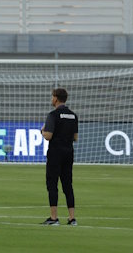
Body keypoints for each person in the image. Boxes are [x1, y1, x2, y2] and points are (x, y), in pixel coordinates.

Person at [41, 88, 78, 226]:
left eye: (52, 97)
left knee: (52, 184)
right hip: (69, 152)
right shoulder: (73, 115)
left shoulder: (53, 115)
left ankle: (54, 218)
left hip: (56, 152)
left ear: (56, 98)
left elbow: (48, 136)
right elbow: (75, 137)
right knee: (68, 185)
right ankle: (72, 218)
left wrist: (42, 131)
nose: (52, 99)